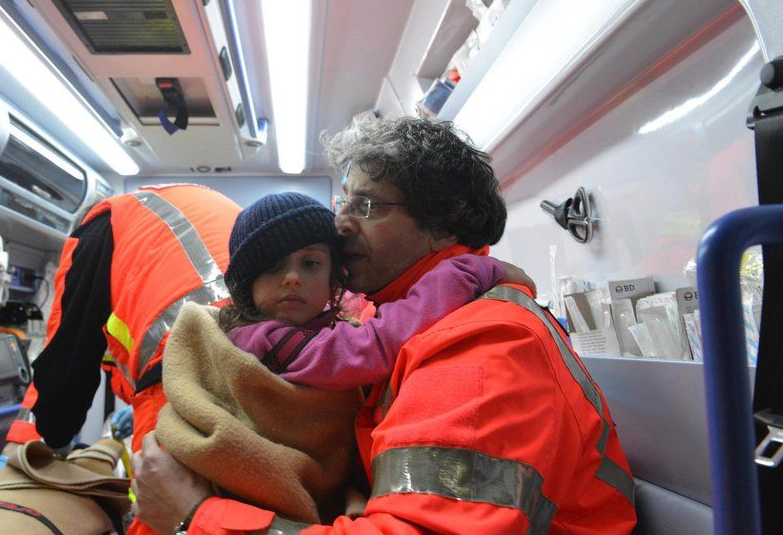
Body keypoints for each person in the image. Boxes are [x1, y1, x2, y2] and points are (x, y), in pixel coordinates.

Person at [131, 117, 637, 534]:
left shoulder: (486, 341)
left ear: (442, 224)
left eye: (367, 206)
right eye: (343, 202)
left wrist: (193, 518)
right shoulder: (395, 319)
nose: (342, 224)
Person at [155, 191, 521, 523]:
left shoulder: (323, 327)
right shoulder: (261, 337)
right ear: (247, 284)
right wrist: (468, 272)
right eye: (273, 266)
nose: (293, 278)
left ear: (334, 278)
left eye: (310, 264)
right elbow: (371, 348)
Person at [0, 184, 240, 533]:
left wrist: (28, 442)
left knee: (164, 509)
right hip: (266, 360)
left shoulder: (100, 226)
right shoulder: (164, 217)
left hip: (184, 368)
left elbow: (66, 357)